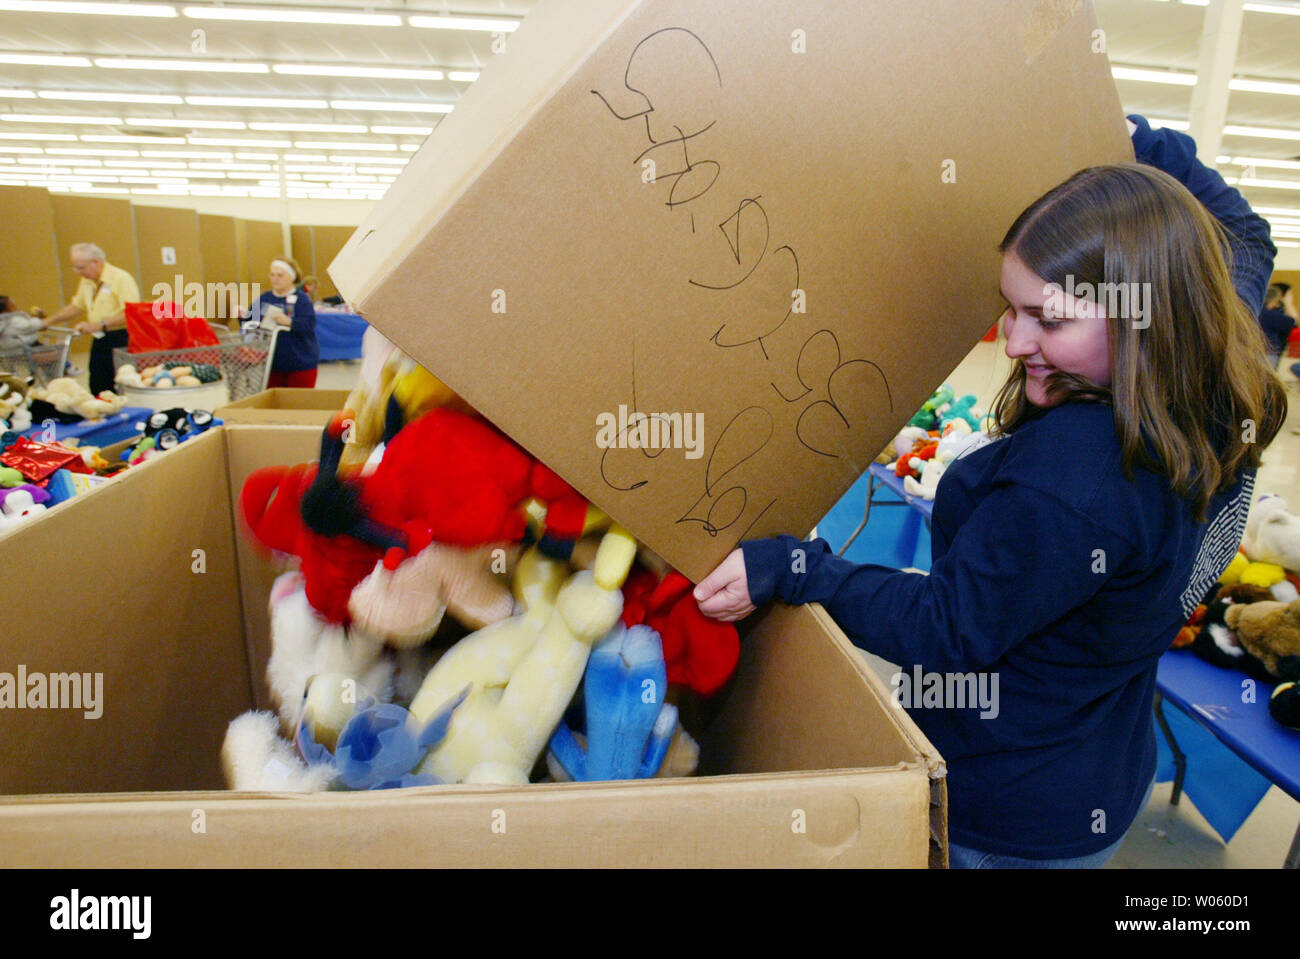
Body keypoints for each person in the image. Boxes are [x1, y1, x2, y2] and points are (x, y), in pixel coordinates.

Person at [694, 114, 1287, 868]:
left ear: (1145, 314)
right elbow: (1244, 233)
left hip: (1006, 805)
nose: (1012, 341)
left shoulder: (1077, 477)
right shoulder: (1221, 379)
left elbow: (946, 628)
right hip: (1098, 767)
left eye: (1050, 318)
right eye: (1010, 306)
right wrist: (1129, 136)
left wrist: (799, 567)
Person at [38, 243, 139, 395]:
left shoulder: (121, 279)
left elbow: (131, 313)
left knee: (119, 382)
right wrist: (50, 321)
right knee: (97, 382)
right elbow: (77, 306)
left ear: (96, 262)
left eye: (81, 267)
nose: (78, 272)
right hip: (100, 338)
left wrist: (100, 325)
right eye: (75, 268)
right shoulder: (87, 281)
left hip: (121, 338)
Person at [248, 258, 319, 389]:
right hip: (272, 364)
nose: (275, 279)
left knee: (298, 403)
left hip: (300, 363)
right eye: (272, 275)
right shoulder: (265, 298)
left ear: (292, 278)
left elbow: (309, 324)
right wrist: (242, 315)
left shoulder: (301, 299)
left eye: (280, 275)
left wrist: (290, 322)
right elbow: (250, 320)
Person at [1259, 284, 1295, 369]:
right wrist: (1288, 304)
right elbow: (1293, 323)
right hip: (1268, 354)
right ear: (1275, 301)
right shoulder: (1272, 315)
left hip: (1251, 352)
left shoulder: (1255, 311)